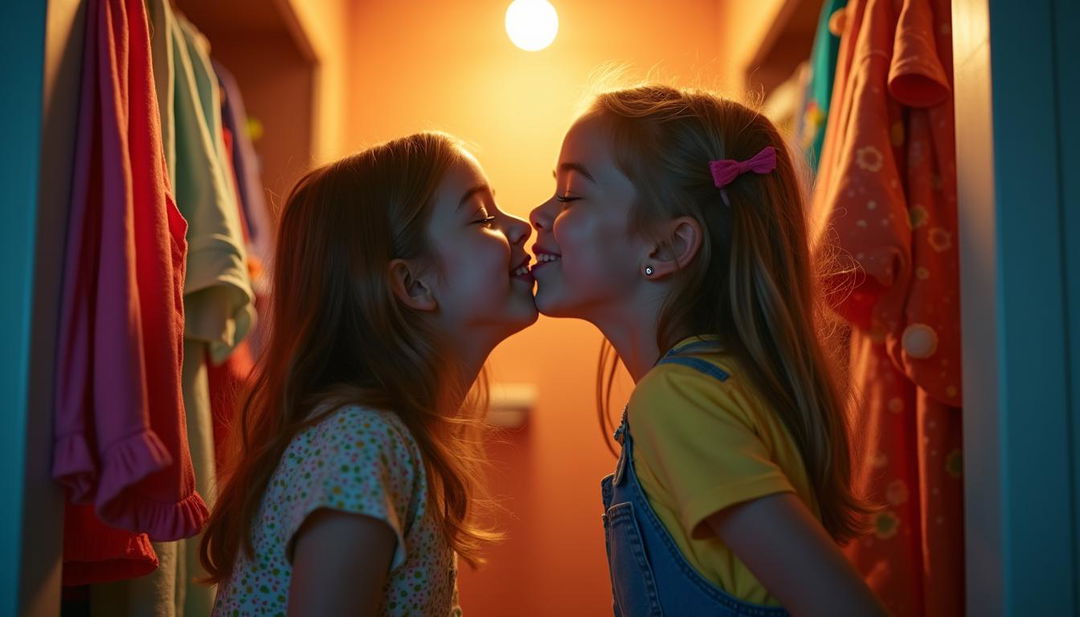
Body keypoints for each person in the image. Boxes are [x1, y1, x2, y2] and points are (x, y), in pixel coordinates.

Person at [529, 85, 886, 616]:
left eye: (571, 195)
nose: (538, 214)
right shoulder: (720, 381)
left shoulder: (677, 400)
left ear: (668, 246)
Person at [201, 132, 538, 616]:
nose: (520, 227)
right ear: (413, 283)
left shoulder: (385, 436)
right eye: (482, 217)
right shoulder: (361, 441)